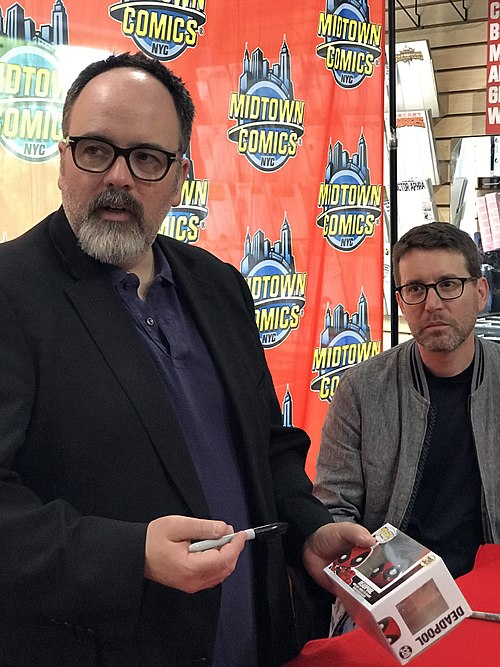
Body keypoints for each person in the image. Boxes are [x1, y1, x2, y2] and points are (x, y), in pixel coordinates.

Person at [0, 52, 374, 666]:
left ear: (179, 177)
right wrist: (130, 556)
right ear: (63, 160)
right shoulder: (12, 294)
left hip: (255, 642)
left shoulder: (218, 286)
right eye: (96, 150)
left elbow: (267, 446)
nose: (119, 177)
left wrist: (308, 528)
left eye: (147, 159)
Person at [314, 221, 500, 633]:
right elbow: (334, 509)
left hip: (489, 584)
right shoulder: (361, 390)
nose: (432, 303)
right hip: (391, 593)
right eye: (415, 289)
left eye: (449, 284)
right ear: (400, 301)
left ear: (480, 293)